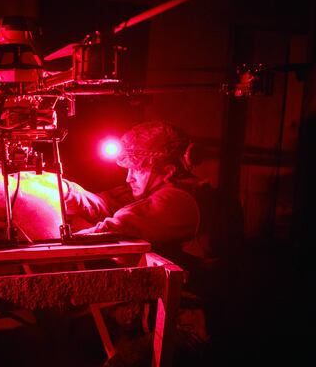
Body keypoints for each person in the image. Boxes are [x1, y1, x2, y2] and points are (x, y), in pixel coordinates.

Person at [66, 120, 243, 366]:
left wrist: (66, 230)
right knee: (80, 334)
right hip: (169, 314)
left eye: (137, 169)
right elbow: (109, 203)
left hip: (191, 328)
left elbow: (117, 227)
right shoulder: (173, 191)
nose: (129, 177)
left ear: (168, 170)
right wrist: (68, 192)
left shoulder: (179, 201)